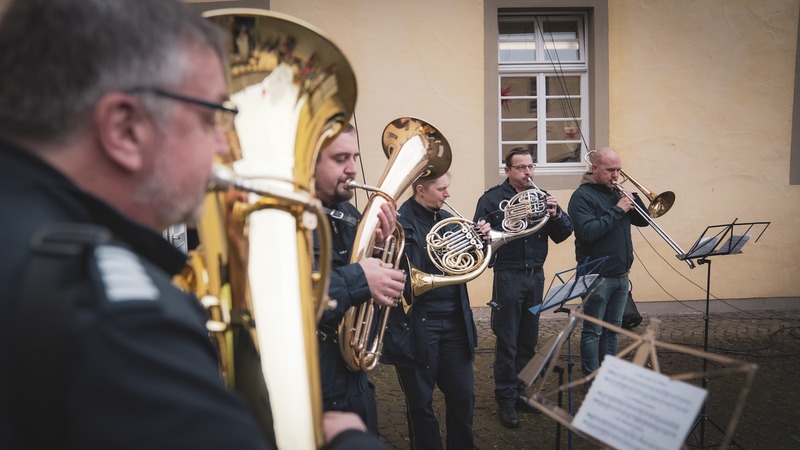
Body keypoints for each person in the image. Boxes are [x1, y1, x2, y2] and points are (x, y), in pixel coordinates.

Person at [0, 1, 383, 449]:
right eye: (211, 119)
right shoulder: (119, 316)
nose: (225, 146)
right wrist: (349, 442)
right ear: (125, 130)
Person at [381, 173, 490, 450]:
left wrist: (481, 241)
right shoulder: (398, 225)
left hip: (455, 323)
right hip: (416, 325)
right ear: (420, 190)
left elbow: (470, 264)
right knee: (420, 405)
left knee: (463, 397)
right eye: (442, 189)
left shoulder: (447, 223)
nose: (447, 195)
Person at [313, 124, 406, 435]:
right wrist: (360, 278)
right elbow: (284, 302)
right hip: (314, 390)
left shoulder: (348, 214)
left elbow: (363, 299)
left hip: (353, 384)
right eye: (340, 158)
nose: (352, 169)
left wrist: (379, 249)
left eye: (355, 157)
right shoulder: (284, 220)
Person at [472, 147, 574, 428]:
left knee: (528, 340)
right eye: (521, 168)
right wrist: (481, 233)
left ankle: (520, 392)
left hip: (535, 277)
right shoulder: (491, 199)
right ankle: (505, 398)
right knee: (507, 340)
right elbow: (477, 239)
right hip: (507, 277)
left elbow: (565, 233)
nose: (528, 172)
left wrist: (554, 214)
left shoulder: (542, 198)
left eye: (531, 167)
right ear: (508, 171)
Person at [567, 147, 649, 381]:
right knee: (593, 331)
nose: (616, 175)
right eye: (610, 170)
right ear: (595, 169)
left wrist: (635, 200)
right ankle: (591, 378)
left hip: (621, 275)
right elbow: (588, 232)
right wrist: (618, 209)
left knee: (613, 330)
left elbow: (644, 222)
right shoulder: (582, 197)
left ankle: (608, 377)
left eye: (619, 170)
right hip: (596, 276)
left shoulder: (616, 192)